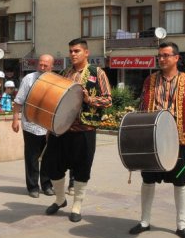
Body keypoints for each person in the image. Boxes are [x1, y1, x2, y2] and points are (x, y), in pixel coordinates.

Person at [129, 42, 185, 238]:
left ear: (176, 58)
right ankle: (144, 221)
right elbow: (142, 107)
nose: (161, 59)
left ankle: (182, 225)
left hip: (181, 141)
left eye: (165, 55)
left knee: (180, 182)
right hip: (153, 141)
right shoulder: (150, 80)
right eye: (159, 56)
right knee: (148, 180)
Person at [42, 39, 112, 222]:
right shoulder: (65, 73)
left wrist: (90, 100)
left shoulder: (97, 73)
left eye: (77, 51)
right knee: (52, 166)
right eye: (71, 51)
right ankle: (60, 199)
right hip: (62, 129)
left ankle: (77, 205)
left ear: (86, 53)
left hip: (84, 129)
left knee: (82, 169)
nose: (73, 54)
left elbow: (108, 100)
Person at [12, 54, 55, 198]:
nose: (42, 67)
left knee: (49, 157)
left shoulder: (55, 81)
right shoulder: (29, 79)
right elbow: (19, 100)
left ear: (52, 67)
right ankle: (33, 187)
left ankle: (47, 185)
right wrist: (15, 119)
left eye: (45, 65)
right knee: (32, 157)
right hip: (31, 124)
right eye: (40, 64)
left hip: (49, 126)